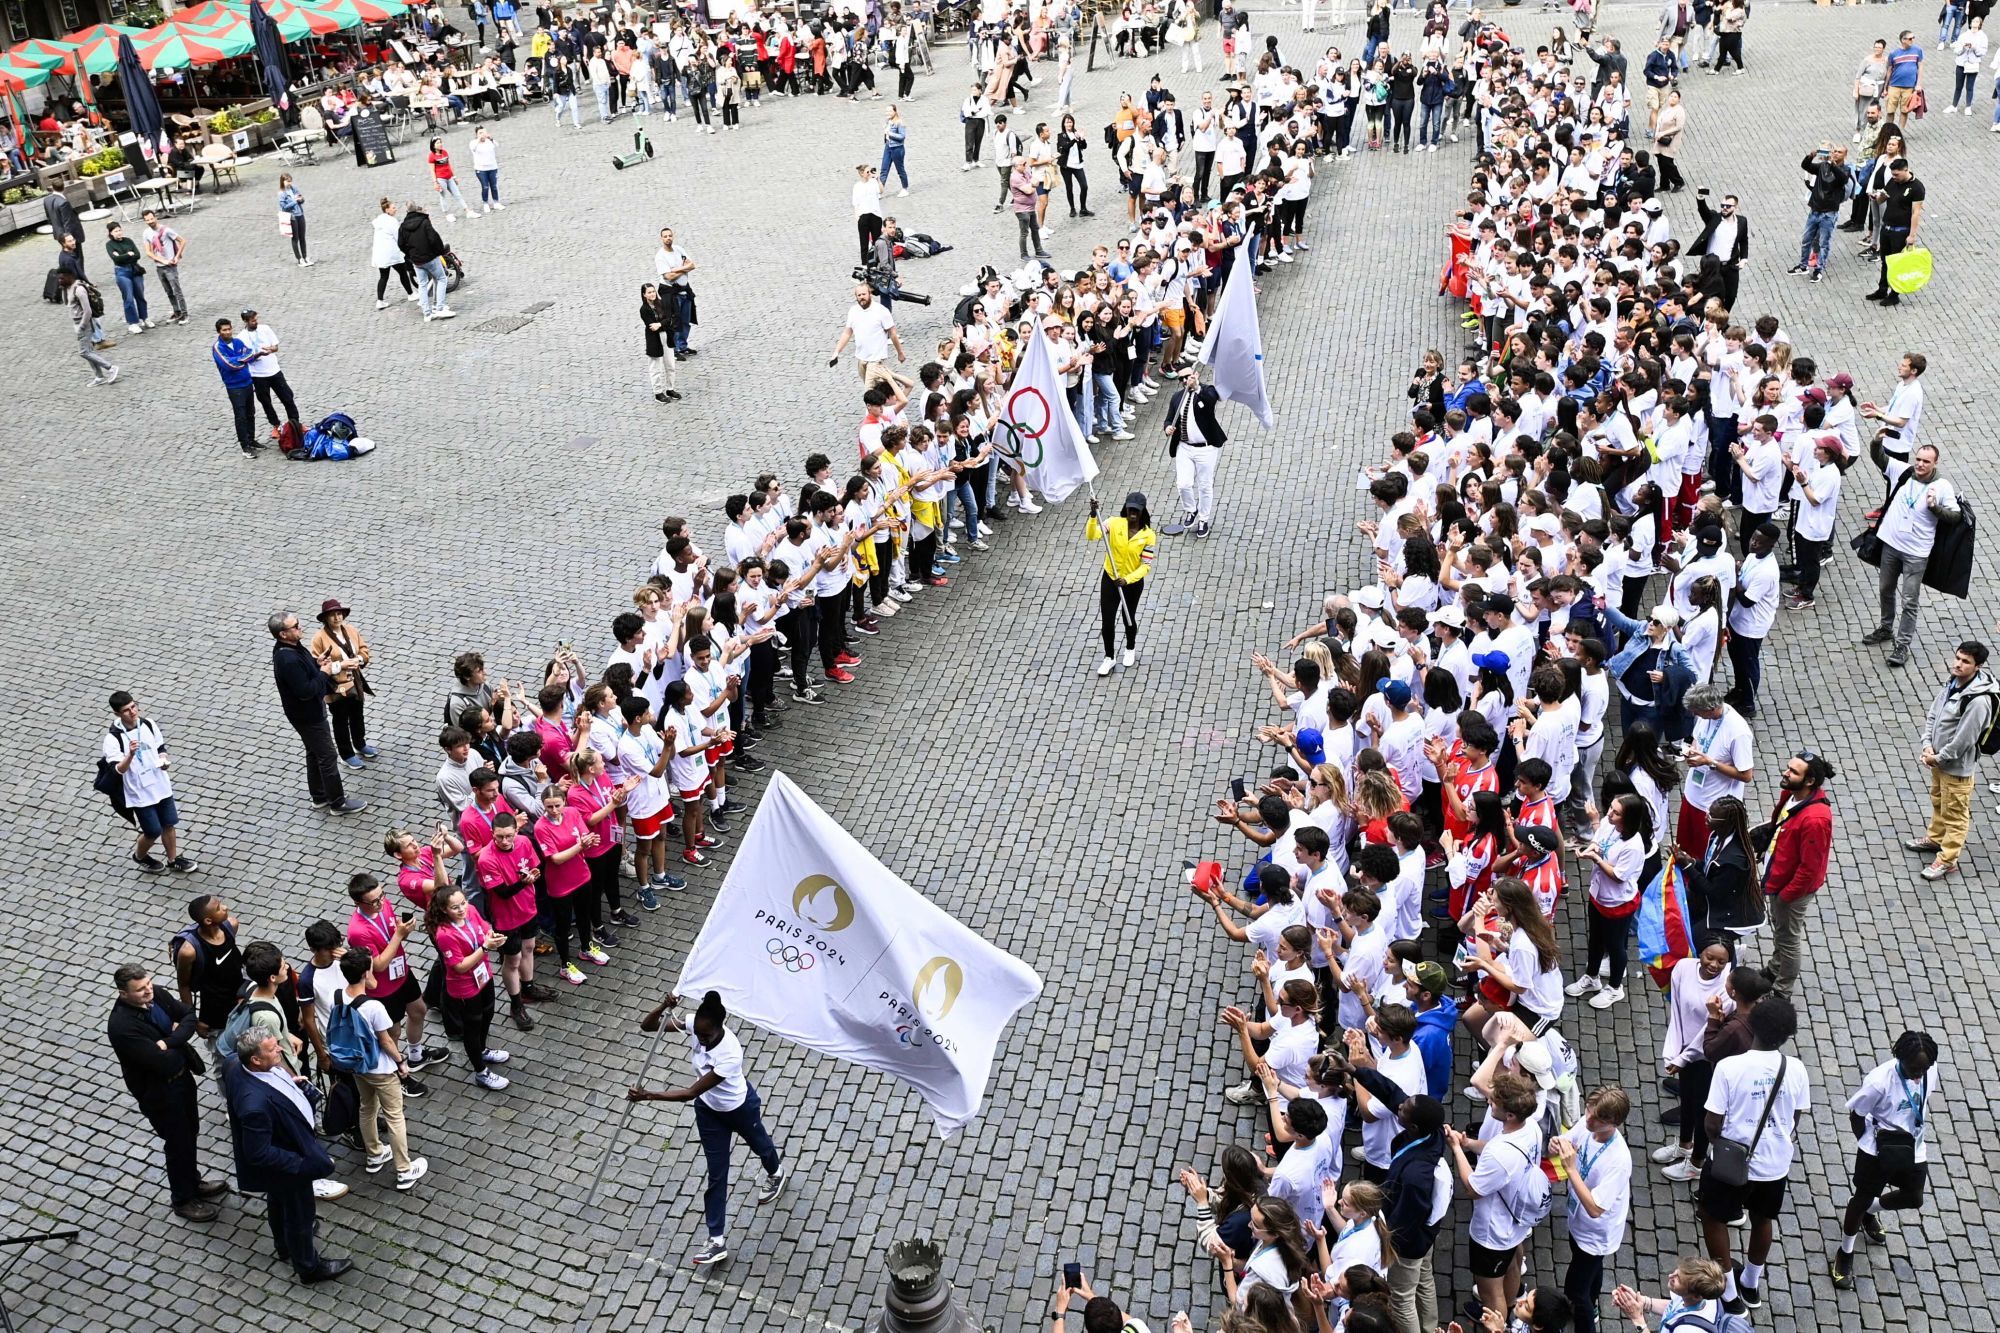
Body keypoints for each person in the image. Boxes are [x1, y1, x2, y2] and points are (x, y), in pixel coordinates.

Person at [629, 990, 788, 1269]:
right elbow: (648, 1026)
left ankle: (776, 1173)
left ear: (719, 1027)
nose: (701, 1041)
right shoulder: (694, 1022)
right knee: (717, 1174)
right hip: (708, 1112)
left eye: (706, 1037)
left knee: (760, 1145)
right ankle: (716, 1241)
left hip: (738, 1108)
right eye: (699, 1035)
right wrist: (663, 1006)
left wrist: (648, 1095)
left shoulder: (730, 1053)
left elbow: (689, 1093)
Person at [1699, 994, 1809, 1316]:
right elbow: (1796, 1116)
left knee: (1713, 1216)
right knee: (1763, 1220)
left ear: (1752, 1025)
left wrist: (1720, 1145)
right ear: (1787, 1034)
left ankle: (1729, 1294)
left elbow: (1712, 1123)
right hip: (1775, 1165)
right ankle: (1751, 1282)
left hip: (1733, 1163)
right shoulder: (1797, 1069)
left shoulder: (1729, 1067)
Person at [222, 1031, 350, 1282]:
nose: (279, 1050)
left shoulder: (234, 1064)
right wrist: (300, 1166)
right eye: (272, 1049)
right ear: (255, 1061)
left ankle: (283, 1245)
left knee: (277, 1202)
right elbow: (258, 1152)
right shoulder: (254, 1105)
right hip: (288, 1166)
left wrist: (294, 1088)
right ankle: (308, 1267)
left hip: (284, 1157)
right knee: (299, 1215)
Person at [107, 964, 227, 1222]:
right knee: (177, 1142)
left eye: (148, 984)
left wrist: (170, 1041)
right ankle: (183, 1199)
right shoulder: (122, 1027)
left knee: (190, 1131)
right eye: (140, 990)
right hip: (159, 1092)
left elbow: (188, 1016)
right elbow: (163, 1062)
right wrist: (176, 1038)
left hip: (182, 1079)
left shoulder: (157, 994)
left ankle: (193, 1182)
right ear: (123, 993)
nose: (148, 991)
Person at [1832, 1030, 1940, 1291]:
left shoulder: (1929, 1070)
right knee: (1860, 1198)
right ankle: (1845, 1252)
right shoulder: (1879, 1082)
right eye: (1914, 1069)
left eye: (1923, 1070)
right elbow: (1857, 1115)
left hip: (1913, 1146)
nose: (1918, 1075)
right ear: (1900, 1057)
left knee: (1914, 1197)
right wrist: (1870, 1145)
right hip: (1878, 1149)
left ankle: (1872, 1211)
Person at [334, 949, 430, 1191]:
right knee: (395, 1115)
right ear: (366, 973)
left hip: (358, 1065)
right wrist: (401, 1062)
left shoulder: (339, 995)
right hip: (380, 1069)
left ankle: (375, 1154)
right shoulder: (373, 1006)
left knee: (367, 1107)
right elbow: (386, 1040)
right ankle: (404, 1170)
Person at [1863, 444, 1960, 668]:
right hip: (1891, 545)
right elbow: (1880, 458)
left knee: (1910, 600)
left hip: (1916, 553)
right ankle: (1886, 628)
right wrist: (1877, 440)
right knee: (1885, 588)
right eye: (1918, 459)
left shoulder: (1942, 486)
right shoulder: (1905, 472)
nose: (1920, 464)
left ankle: (1903, 645)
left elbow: (1955, 517)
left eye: (1926, 461)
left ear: (1935, 463)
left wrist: (1935, 508)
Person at [1911, 640, 1997, 881]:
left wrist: (1937, 758)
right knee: (1939, 800)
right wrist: (1927, 744)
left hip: (1955, 766)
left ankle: (1947, 860)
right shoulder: (1953, 682)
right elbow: (1934, 714)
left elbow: (1964, 740)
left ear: (1977, 666)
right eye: (1958, 658)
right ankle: (1936, 838)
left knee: (1956, 813)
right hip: (1937, 760)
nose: (1958, 664)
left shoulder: (1979, 701)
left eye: (1965, 662)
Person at [269, 609, 366, 814]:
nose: (299, 627)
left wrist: (316, 663)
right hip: (308, 715)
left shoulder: (292, 648)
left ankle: (320, 795)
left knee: (314, 753)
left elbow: (306, 670)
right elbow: (307, 690)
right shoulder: (287, 659)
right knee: (327, 756)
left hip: (305, 713)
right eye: (295, 626)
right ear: (283, 634)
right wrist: (325, 671)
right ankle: (338, 802)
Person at [1554, 1086, 1633, 1333]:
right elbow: (1568, 1141)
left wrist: (1571, 1169)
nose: (1588, 1119)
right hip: (1578, 1222)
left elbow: (1596, 1208)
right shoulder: (1590, 1124)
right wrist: (1556, 1144)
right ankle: (1594, 1301)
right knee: (1589, 1268)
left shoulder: (1618, 1160)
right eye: (1588, 1110)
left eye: (1597, 1118)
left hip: (1596, 1231)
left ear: (1614, 1123)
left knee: (1575, 1294)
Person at [1761, 750, 1834, 995]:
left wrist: (1787, 895)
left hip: (1790, 889)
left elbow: (1809, 867)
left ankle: (1782, 989)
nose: (1786, 772)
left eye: (1793, 771)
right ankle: (1774, 967)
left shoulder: (1815, 819)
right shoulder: (1790, 794)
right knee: (1781, 931)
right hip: (1778, 877)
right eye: (1788, 767)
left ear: (1809, 781)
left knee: (1788, 939)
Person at [425, 886, 511, 1089]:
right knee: (472, 1026)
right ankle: (480, 1072)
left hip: (483, 974)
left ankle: (482, 1050)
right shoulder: (444, 934)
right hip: (465, 987)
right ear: (444, 910)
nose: (462, 909)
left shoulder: (471, 910)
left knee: (488, 1013)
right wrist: (485, 948)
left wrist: (492, 936)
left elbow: (484, 926)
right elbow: (459, 966)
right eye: (455, 907)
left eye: (463, 903)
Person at [104, 690, 197, 873]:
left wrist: (164, 760)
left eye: (133, 706)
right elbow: (118, 770)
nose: (132, 712)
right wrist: (130, 755)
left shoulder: (148, 724)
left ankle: (173, 860)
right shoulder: (113, 739)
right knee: (152, 831)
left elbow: (160, 747)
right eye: (126, 710)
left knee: (169, 823)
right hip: (139, 791)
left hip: (159, 784)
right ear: (117, 714)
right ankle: (140, 856)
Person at [1087, 492, 1157, 677]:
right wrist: (1093, 516)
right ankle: (1109, 657)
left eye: (1137, 511)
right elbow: (1092, 535)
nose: (1133, 514)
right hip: (1110, 578)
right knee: (1107, 621)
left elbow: (1146, 566)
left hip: (1131, 583)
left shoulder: (1148, 535)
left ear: (1143, 512)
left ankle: (1130, 648)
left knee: (1128, 617)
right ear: (1125, 508)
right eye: (1130, 509)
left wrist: (1128, 579)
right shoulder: (1113, 523)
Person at [308, 599, 375, 767]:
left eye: (339, 614)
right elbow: (317, 664)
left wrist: (358, 659)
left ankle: (360, 744)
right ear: (326, 618)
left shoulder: (351, 630)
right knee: (340, 720)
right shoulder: (319, 638)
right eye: (332, 615)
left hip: (355, 683)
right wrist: (341, 666)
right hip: (335, 687)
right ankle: (346, 754)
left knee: (357, 716)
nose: (337, 618)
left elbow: (364, 650)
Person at [1163, 367, 1228, 537]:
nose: (1185, 381)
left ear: (1196, 375)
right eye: (1181, 379)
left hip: (1205, 448)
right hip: (1184, 446)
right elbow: (1170, 418)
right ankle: (1191, 510)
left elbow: (1210, 402)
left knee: (1205, 486)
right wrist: (1167, 428)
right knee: (1183, 483)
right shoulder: (1177, 397)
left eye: (1188, 377)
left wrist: (1197, 386)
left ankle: (1203, 520)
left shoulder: (1207, 391)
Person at [1864, 157, 1925, 306]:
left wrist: (1912, 235)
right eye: (1893, 174)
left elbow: (1916, 212)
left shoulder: (1916, 187)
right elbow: (1881, 199)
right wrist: (1877, 197)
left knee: (1896, 264)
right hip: (1887, 228)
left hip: (1901, 231)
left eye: (1897, 174)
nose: (1894, 177)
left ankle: (1894, 294)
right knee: (1885, 261)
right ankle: (1882, 289)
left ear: (1906, 170)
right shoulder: (1893, 181)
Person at [1790, 141, 1848, 283]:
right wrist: (1811, 156)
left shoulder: (1844, 170)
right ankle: (1803, 266)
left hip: (1829, 213)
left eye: (1839, 152)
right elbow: (1806, 166)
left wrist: (1833, 165)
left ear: (1845, 155)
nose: (1835, 154)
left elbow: (1843, 179)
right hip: (1815, 210)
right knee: (1806, 240)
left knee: (1824, 243)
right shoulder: (1823, 166)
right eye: (1834, 151)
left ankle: (1819, 269)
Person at [238, 308, 301, 440]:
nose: (256, 322)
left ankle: (295, 423)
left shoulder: (265, 329)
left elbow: (276, 347)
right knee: (265, 401)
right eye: (252, 320)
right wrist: (258, 354)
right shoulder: (241, 338)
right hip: (257, 374)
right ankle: (276, 425)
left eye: (256, 319)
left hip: (274, 370)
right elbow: (245, 359)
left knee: (287, 397)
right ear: (245, 321)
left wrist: (271, 349)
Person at [398, 202, 456, 323]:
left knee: (422, 285)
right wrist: (439, 252)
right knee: (441, 278)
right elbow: (434, 239)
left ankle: (427, 314)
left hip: (416, 261)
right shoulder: (424, 222)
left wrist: (410, 255)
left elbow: (401, 244)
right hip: (430, 258)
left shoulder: (403, 227)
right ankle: (439, 308)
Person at [212, 317, 262, 453]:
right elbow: (229, 365)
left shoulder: (238, 342)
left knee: (250, 413)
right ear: (219, 332)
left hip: (247, 383)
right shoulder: (218, 348)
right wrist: (242, 360)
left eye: (229, 329)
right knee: (240, 415)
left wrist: (240, 359)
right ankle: (245, 445)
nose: (228, 332)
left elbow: (250, 354)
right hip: (234, 387)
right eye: (224, 330)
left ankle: (251, 439)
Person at [63, 271, 116, 385]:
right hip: (77, 323)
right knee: (89, 351)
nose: (59, 281)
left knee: (84, 352)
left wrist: (82, 326)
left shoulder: (79, 290)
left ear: (69, 277)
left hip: (84, 324)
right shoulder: (68, 288)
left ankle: (111, 368)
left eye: (61, 278)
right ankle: (99, 376)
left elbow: (87, 311)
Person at [654, 226, 697, 358]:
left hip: (685, 290)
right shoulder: (660, 256)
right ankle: (674, 349)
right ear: (661, 238)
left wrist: (675, 269)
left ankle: (682, 346)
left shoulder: (679, 250)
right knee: (674, 321)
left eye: (670, 236)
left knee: (685, 320)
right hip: (671, 292)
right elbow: (668, 277)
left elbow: (693, 265)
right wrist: (684, 268)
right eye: (665, 236)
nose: (668, 238)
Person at [140, 209, 190, 325]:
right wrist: (162, 260)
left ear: (155, 217)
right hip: (160, 266)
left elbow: (182, 241)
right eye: (147, 220)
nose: (150, 221)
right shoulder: (146, 233)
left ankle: (184, 313)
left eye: (151, 219)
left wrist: (177, 257)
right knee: (168, 291)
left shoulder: (166, 230)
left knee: (177, 291)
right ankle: (176, 311)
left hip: (170, 266)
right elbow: (148, 252)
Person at [104, 220, 151, 335]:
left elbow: (137, 255)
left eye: (120, 230)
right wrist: (128, 254)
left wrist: (123, 256)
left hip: (134, 270)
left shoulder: (128, 240)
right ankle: (132, 323)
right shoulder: (110, 245)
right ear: (111, 233)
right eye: (116, 231)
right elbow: (116, 259)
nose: (119, 233)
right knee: (128, 297)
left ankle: (144, 318)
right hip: (122, 272)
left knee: (140, 295)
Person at [370, 198, 417, 311]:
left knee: (383, 276)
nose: (395, 209)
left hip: (380, 254)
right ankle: (411, 294)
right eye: (393, 208)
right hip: (391, 253)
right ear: (387, 210)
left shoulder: (379, 220)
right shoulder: (392, 222)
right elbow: (398, 237)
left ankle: (380, 300)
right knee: (402, 273)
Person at [641, 282, 682, 403]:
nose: (652, 294)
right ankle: (658, 392)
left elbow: (670, 320)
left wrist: (660, 324)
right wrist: (664, 324)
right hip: (654, 340)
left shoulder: (662, 304)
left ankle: (670, 388)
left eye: (653, 291)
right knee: (656, 367)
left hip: (666, 338)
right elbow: (652, 326)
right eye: (649, 292)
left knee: (670, 365)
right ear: (644, 295)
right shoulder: (644, 309)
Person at [427, 137, 474, 220]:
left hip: (449, 177)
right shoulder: (431, 156)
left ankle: (467, 211)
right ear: (433, 145)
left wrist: (454, 176)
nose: (440, 144)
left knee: (457, 194)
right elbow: (432, 170)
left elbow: (449, 165)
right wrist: (435, 182)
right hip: (441, 179)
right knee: (443, 196)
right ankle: (447, 214)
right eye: (437, 143)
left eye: (440, 142)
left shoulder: (445, 152)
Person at [278, 174, 312, 266]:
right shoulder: (281, 194)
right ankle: (299, 259)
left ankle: (305, 257)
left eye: (290, 181)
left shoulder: (294, 188)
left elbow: (301, 199)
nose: (289, 183)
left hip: (300, 214)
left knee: (302, 237)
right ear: (283, 181)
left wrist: (301, 199)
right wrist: (295, 201)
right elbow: (284, 207)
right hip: (292, 217)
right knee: (295, 238)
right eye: (287, 181)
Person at [469, 125, 504, 211]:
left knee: (494, 186)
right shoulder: (473, 143)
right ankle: (485, 203)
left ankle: (496, 202)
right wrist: (479, 139)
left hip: (492, 167)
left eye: (484, 132)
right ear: (476, 134)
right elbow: (473, 148)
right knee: (485, 186)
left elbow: (497, 145)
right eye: (480, 133)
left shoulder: (489, 141)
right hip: (481, 169)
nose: (482, 134)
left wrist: (491, 138)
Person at [880, 103, 909, 193]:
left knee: (900, 169)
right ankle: (880, 190)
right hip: (888, 146)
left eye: (890, 111)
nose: (887, 113)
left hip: (897, 148)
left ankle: (905, 188)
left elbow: (902, 136)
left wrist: (889, 133)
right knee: (884, 169)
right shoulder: (888, 120)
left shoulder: (899, 123)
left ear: (895, 111)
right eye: (887, 111)